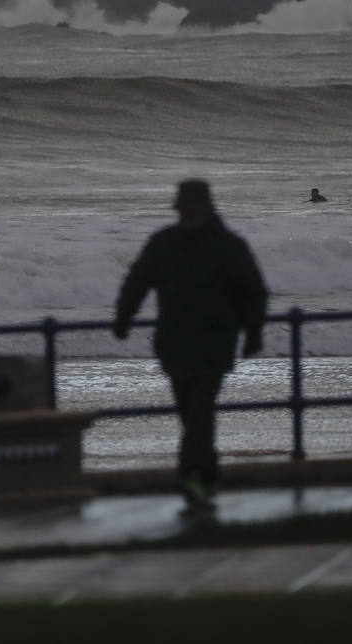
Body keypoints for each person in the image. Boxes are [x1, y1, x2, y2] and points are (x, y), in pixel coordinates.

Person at [112, 179, 268, 514]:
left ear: (206, 210)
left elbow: (254, 291)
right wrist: (124, 316)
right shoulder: (163, 244)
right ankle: (207, 476)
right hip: (175, 346)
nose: (186, 216)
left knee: (199, 413)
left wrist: (253, 332)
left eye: (191, 210)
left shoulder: (228, 247)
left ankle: (188, 475)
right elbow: (137, 280)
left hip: (215, 345)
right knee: (191, 415)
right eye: (182, 210)